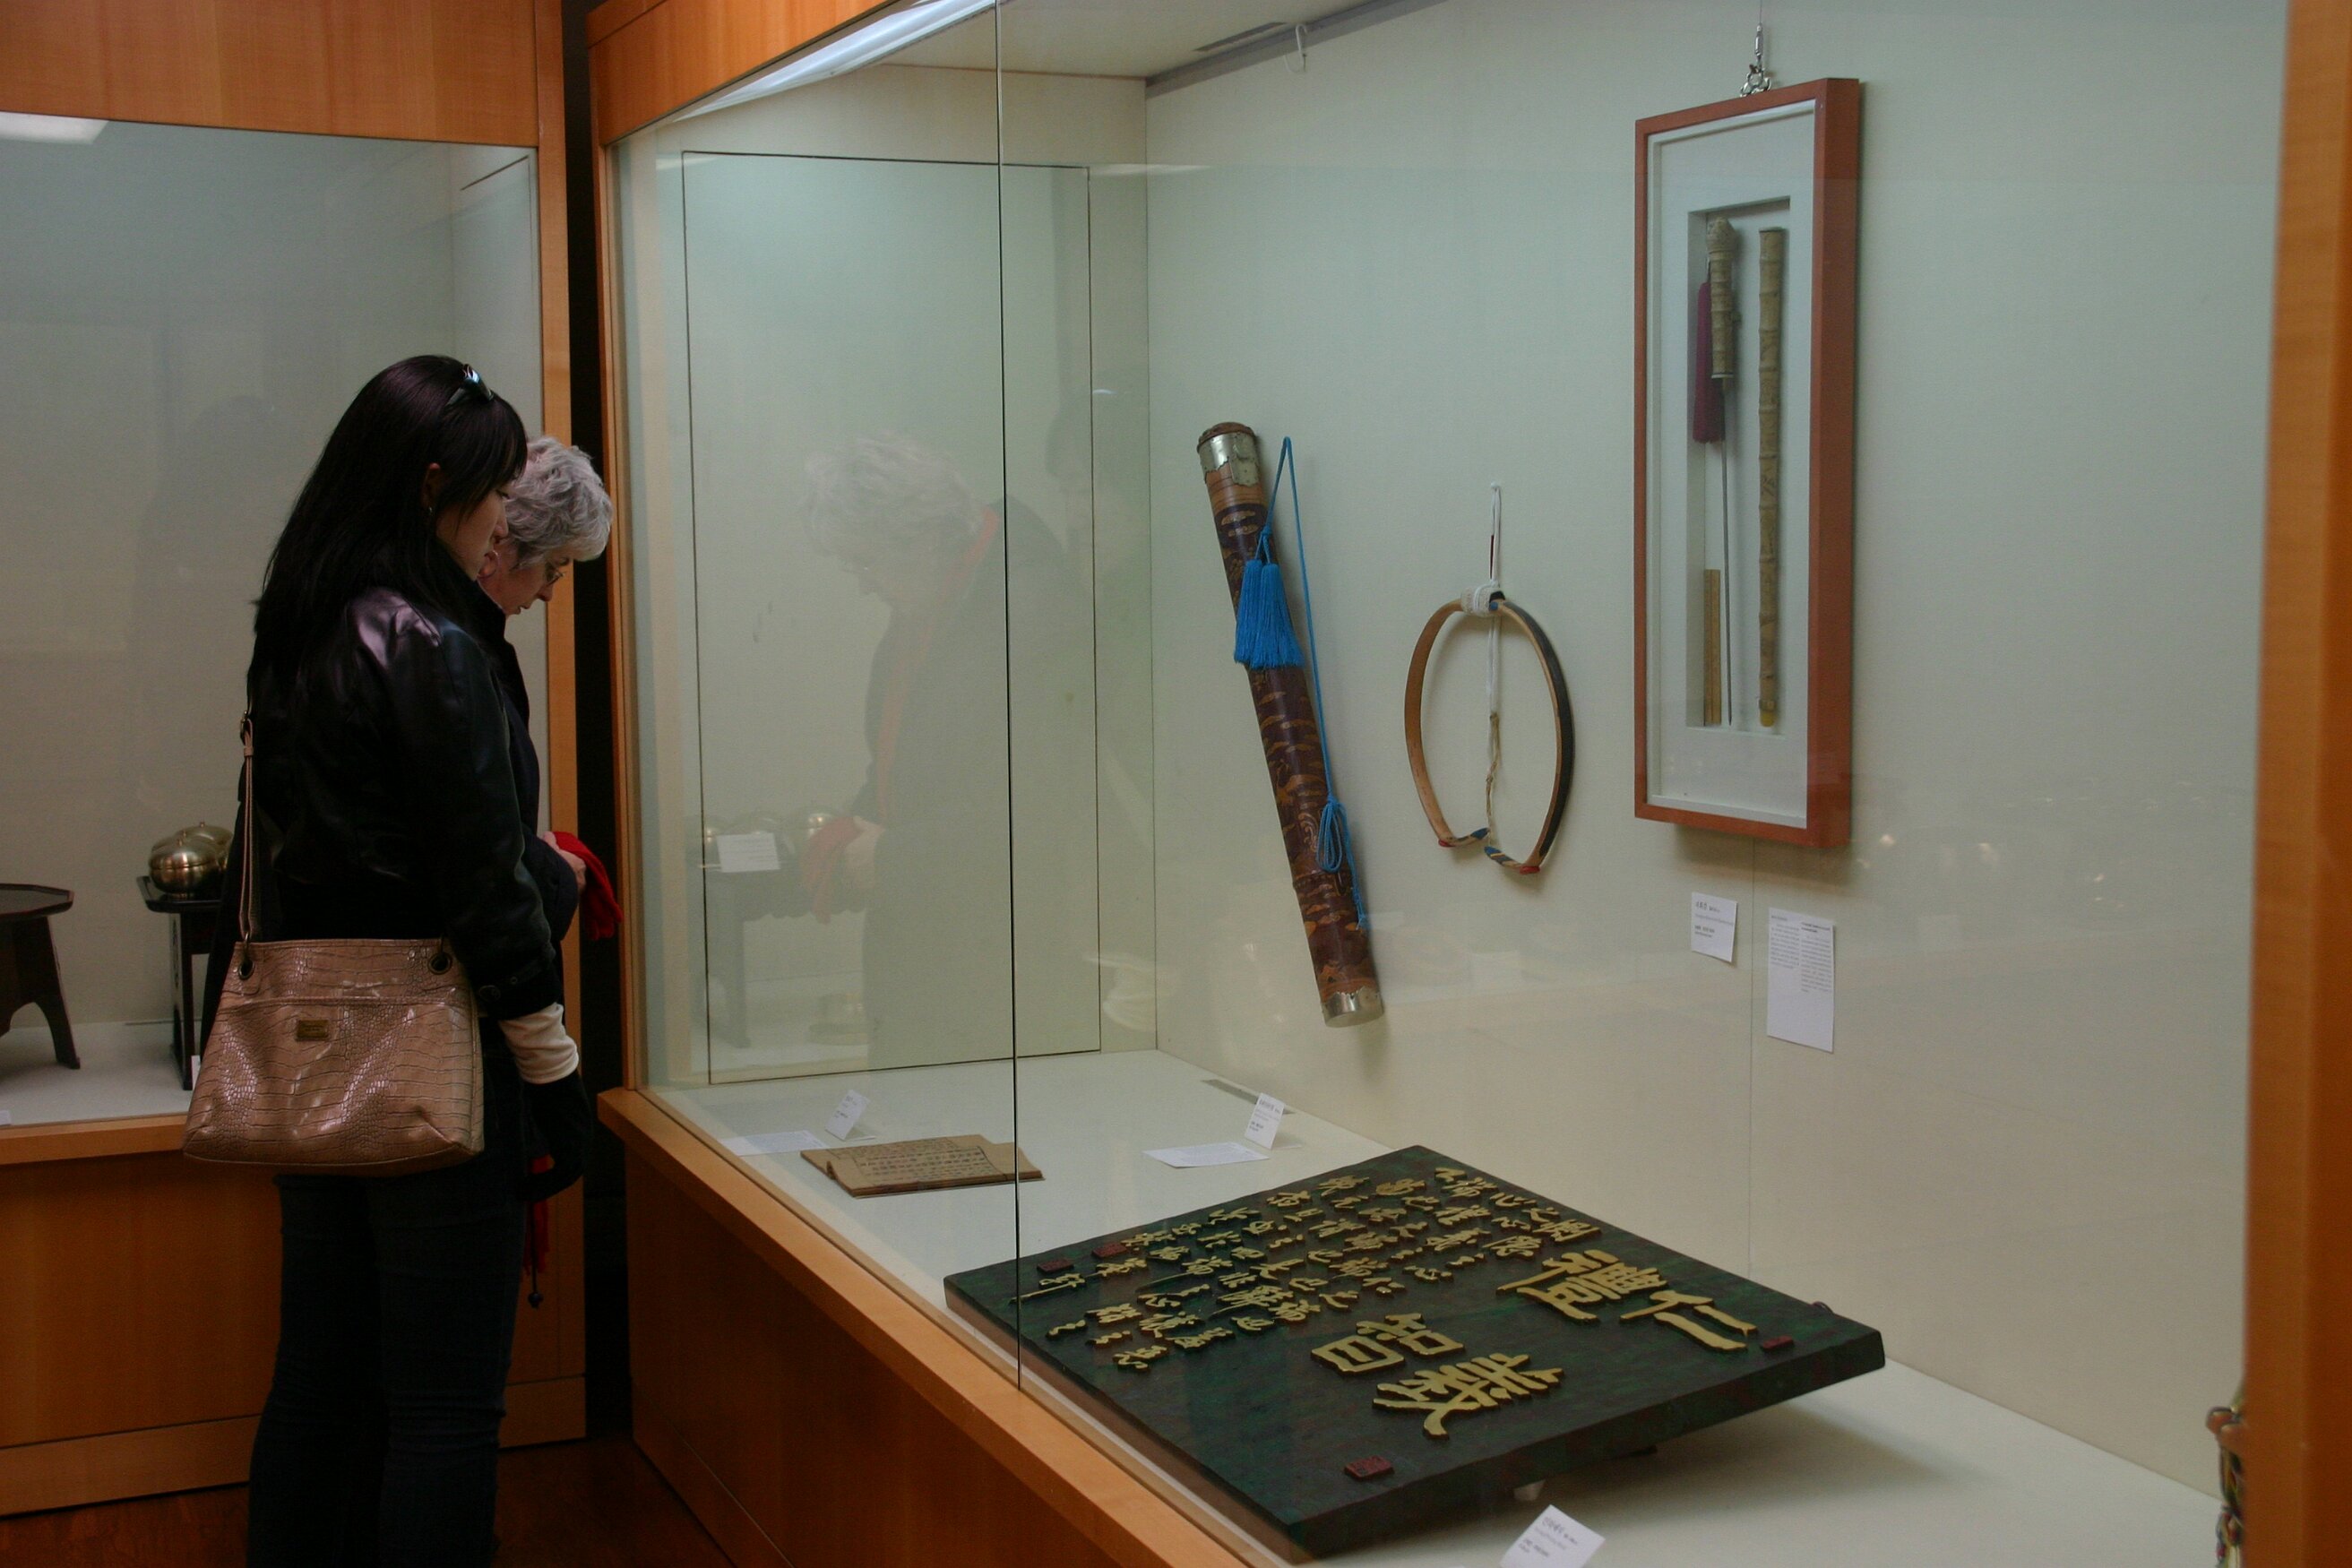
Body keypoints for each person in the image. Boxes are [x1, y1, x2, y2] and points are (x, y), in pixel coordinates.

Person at [204, 357, 591, 1568]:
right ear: (435, 485)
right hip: (436, 1054)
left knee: (319, 1378)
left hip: (313, 1048)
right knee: (444, 1406)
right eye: (490, 490)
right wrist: (554, 1066)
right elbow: (480, 885)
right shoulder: (430, 640)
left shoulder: (298, 627)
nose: (498, 521)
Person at [469, 434, 614, 936]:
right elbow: (469, 844)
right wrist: (549, 870)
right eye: (552, 569)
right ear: (501, 544)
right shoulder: (448, 649)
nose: (549, 593)